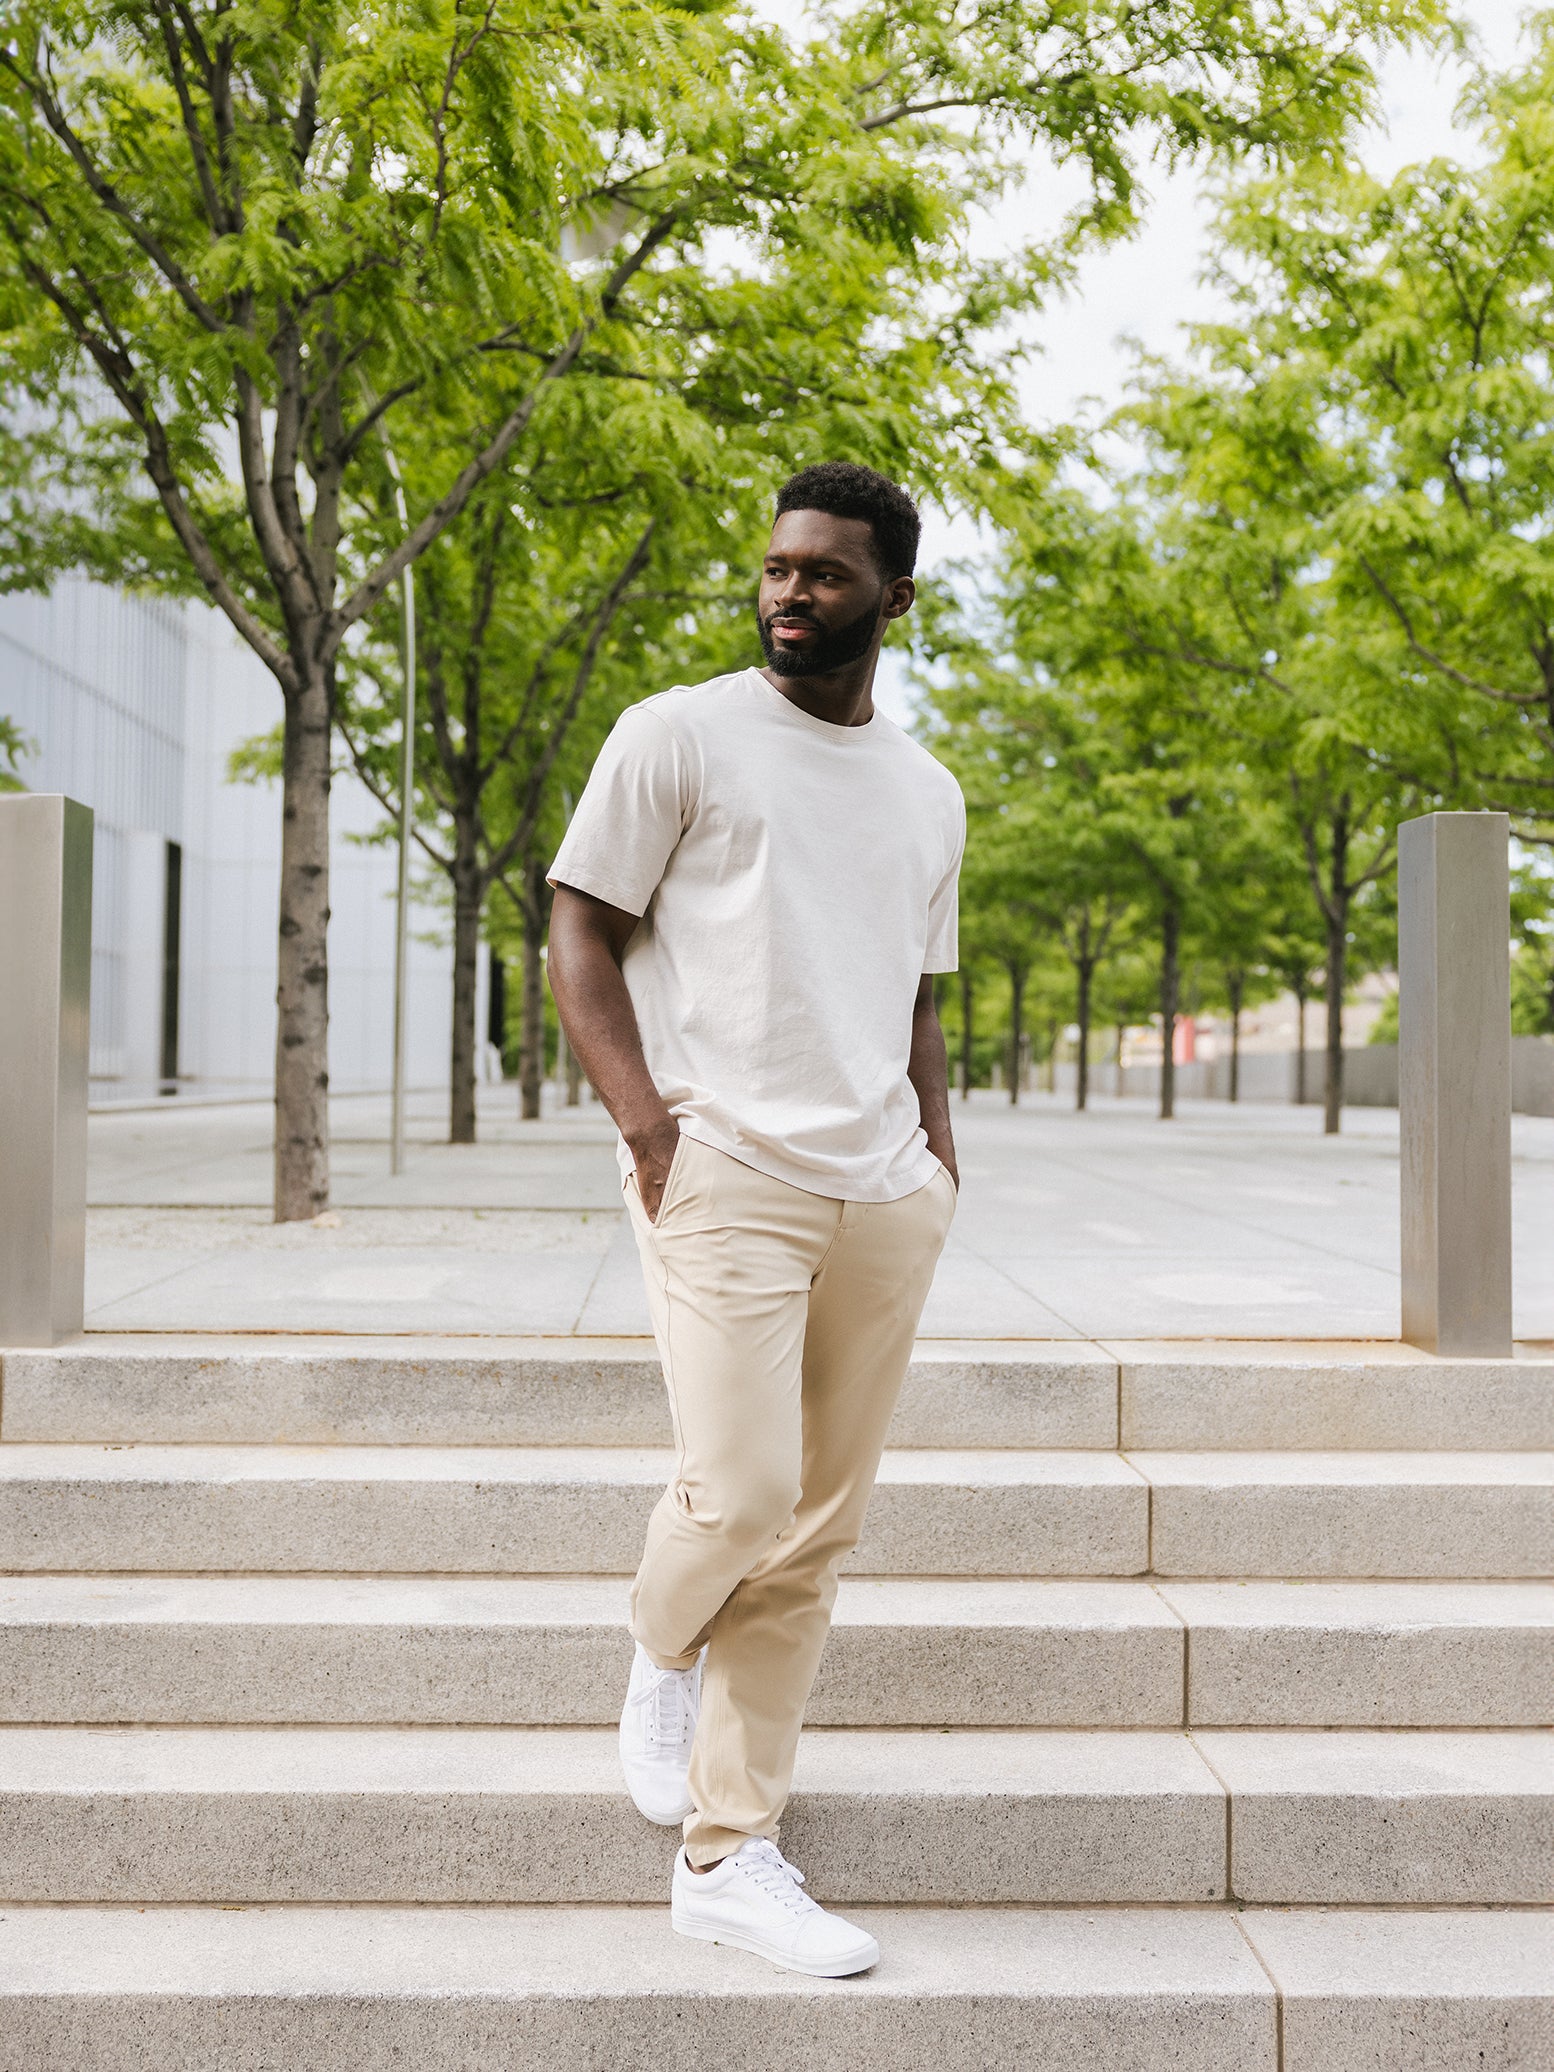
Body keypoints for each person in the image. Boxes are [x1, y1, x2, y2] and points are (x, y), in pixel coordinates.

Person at [546, 460, 964, 1978]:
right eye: (780, 568)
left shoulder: (926, 790)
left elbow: (916, 993)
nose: (791, 592)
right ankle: (661, 1643)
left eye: (827, 575)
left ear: (892, 598)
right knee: (738, 1493)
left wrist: (936, 1156)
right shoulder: (677, 735)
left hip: (879, 1191)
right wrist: (647, 1128)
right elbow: (577, 930)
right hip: (718, 1155)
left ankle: (729, 1852)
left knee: (814, 1535)